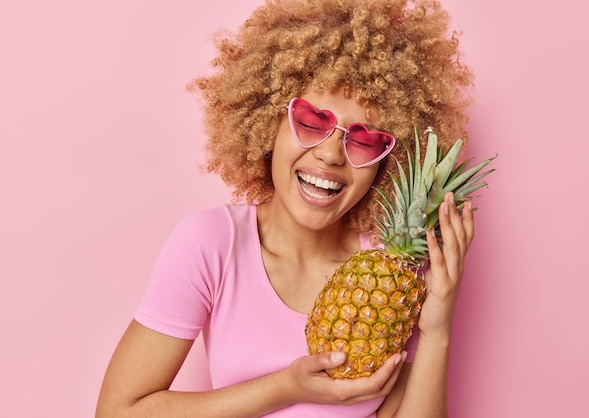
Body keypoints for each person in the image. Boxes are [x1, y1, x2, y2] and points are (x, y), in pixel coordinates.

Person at [96, 0, 475, 416]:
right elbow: (117, 412)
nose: (331, 156)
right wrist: (286, 387)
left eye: (363, 139)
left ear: (386, 162)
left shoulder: (393, 275)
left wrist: (436, 330)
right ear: (268, 121)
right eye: (312, 121)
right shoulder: (212, 244)